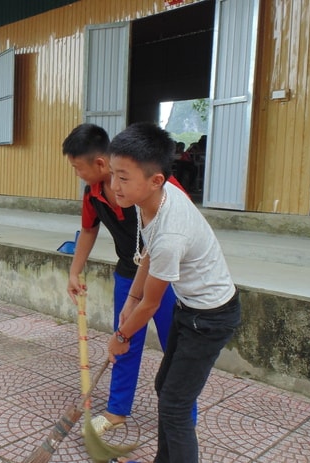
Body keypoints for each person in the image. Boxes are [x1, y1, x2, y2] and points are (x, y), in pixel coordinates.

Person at [107, 122, 241, 463]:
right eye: (113, 174)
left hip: (211, 317)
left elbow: (153, 303)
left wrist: (121, 335)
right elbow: (147, 256)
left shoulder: (171, 233)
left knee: (176, 406)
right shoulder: (153, 198)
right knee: (165, 389)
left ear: (155, 180)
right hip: (191, 308)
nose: (114, 186)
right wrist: (130, 299)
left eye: (123, 178)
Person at [63, 123, 193, 436]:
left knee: (173, 346)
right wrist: (74, 271)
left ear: (98, 163)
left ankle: (184, 418)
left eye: (78, 168)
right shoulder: (92, 193)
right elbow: (89, 229)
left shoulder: (155, 184)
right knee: (123, 341)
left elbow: (182, 225)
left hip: (166, 276)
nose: (77, 174)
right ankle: (117, 411)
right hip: (128, 273)